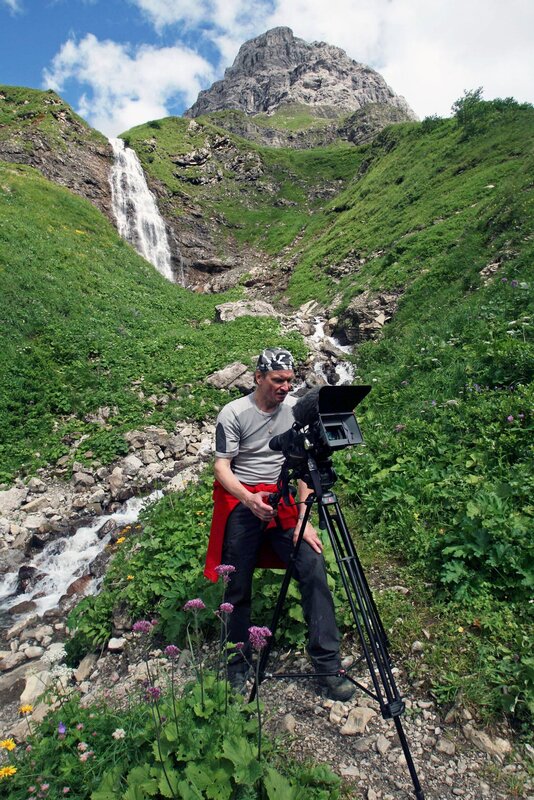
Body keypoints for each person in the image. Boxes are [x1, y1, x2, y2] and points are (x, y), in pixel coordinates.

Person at [204, 347, 355, 701]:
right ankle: (237, 664)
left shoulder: (294, 413)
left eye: (289, 380)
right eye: (277, 380)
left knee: (313, 565)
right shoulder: (233, 413)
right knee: (237, 582)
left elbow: (303, 464)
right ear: (258, 378)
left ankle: (327, 664)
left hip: (284, 498)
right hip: (245, 500)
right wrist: (247, 499)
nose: (285, 387)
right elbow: (222, 467)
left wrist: (305, 514)